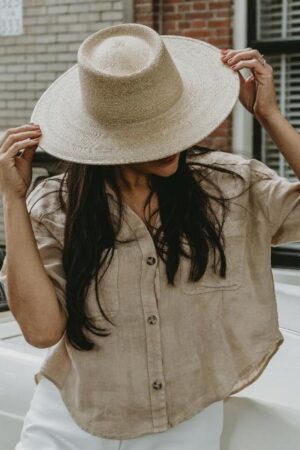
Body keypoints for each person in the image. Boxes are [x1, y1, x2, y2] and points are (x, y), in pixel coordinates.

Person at [0, 22, 299, 450]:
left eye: (170, 123)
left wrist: (270, 115)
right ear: (104, 135)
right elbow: (43, 331)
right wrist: (12, 199)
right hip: (70, 420)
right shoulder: (56, 205)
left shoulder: (229, 187)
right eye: (145, 132)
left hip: (185, 424)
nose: (167, 141)